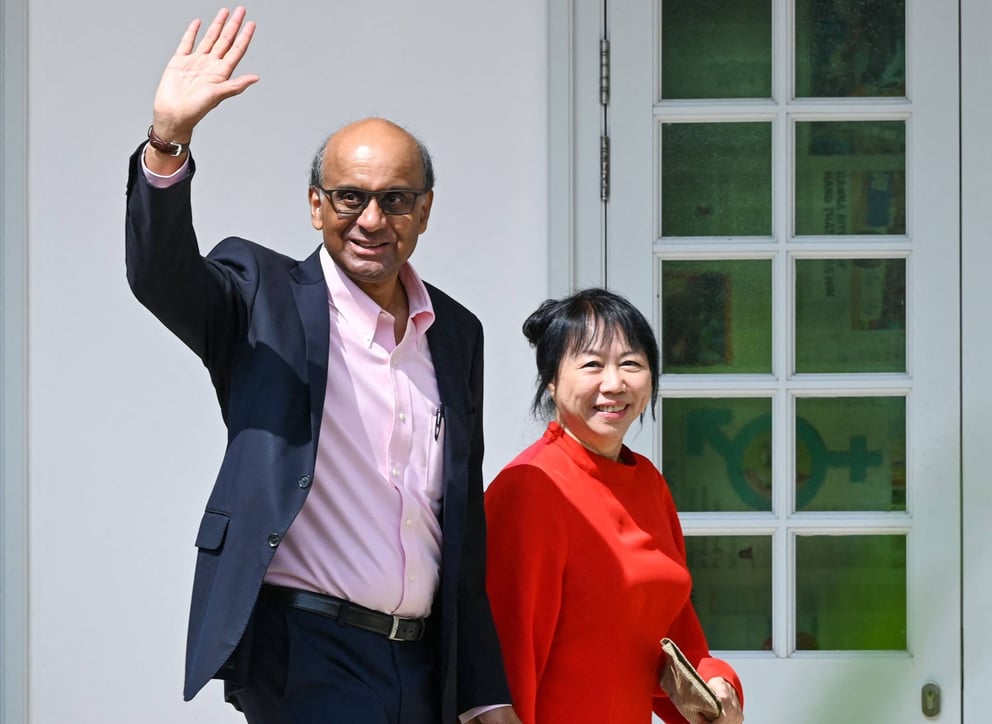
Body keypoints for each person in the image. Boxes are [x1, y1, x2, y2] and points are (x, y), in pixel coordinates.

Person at [125, 7, 520, 724]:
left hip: (424, 664)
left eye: (395, 200)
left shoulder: (457, 332)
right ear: (316, 205)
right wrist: (168, 141)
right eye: (350, 198)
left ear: (424, 212)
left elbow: (458, 523)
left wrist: (483, 691)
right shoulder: (261, 295)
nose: (372, 219)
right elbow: (163, 276)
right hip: (308, 655)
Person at [484, 288, 745, 724]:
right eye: (591, 365)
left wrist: (715, 682)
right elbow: (504, 659)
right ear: (552, 380)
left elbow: (671, 631)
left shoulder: (647, 482)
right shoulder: (531, 488)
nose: (614, 383)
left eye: (631, 364)